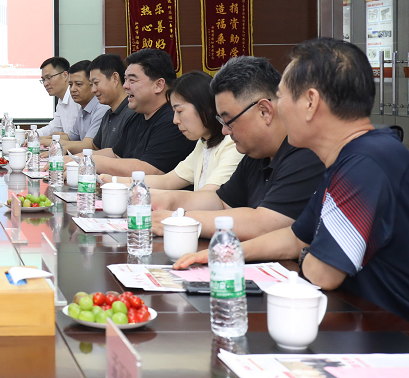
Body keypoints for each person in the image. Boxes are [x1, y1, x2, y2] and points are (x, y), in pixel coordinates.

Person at [175, 38, 409, 320]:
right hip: (351, 318)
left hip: (385, 331)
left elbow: (323, 273)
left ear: (310, 102)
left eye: (282, 96)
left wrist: (308, 253)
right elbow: (295, 236)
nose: (278, 109)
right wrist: (229, 252)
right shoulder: (348, 157)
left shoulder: (365, 162)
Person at [151, 56, 324, 240]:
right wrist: (170, 200)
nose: (225, 131)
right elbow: (222, 202)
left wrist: (180, 220)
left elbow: (266, 223)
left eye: (229, 121)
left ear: (264, 111)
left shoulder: (306, 152)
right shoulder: (256, 153)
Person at [100, 71, 243, 193]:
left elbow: (208, 197)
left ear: (205, 107)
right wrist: (111, 181)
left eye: (179, 111)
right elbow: (167, 181)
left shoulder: (232, 145)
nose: (175, 120)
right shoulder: (203, 142)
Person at [93, 49, 194, 176]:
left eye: (132, 80)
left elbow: (149, 169)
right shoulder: (136, 116)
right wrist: (79, 158)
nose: (125, 86)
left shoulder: (173, 120)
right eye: (125, 79)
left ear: (158, 85)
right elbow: (115, 154)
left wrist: (93, 161)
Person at [57, 60, 108, 153]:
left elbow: (89, 145)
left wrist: (57, 145)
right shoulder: (83, 108)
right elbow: (71, 138)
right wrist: (45, 139)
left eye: (78, 84)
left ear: (92, 85)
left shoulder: (102, 108)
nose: (72, 89)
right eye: (70, 85)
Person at [88, 54, 136, 151]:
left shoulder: (132, 114)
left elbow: (118, 155)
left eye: (96, 83)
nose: (93, 90)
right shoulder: (108, 114)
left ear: (115, 78)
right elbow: (96, 147)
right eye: (91, 85)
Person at [36, 57, 78, 145]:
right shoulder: (61, 100)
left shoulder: (77, 98)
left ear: (65, 75)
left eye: (49, 77)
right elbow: (53, 128)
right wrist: (30, 134)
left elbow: (78, 138)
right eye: (43, 80)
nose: (45, 83)